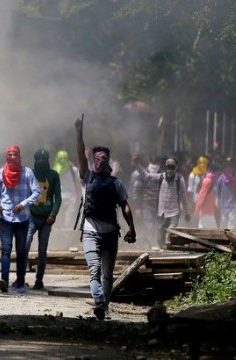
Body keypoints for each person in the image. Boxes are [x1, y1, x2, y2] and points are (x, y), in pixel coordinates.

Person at [75, 114, 136, 321]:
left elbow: (125, 206)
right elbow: (125, 207)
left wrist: (79, 133)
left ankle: (102, 305)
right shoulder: (110, 181)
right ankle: (103, 305)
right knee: (104, 274)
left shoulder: (89, 177)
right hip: (105, 234)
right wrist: (131, 228)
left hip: (98, 234)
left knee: (98, 273)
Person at [0, 145, 41, 294]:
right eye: (9, 154)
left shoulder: (27, 172)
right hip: (6, 218)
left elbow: (37, 192)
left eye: (15, 154)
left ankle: (20, 282)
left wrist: (23, 204)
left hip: (23, 219)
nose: (12, 157)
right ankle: (4, 281)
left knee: (21, 251)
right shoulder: (1, 173)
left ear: (20, 156)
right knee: (6, 250)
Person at [25, 149, 61, 290]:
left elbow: (57, 197)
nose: (41, 161)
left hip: (47, 219)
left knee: (42, 249)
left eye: (44, 158)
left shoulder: (53, 175)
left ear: (48, 160)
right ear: (35, 160)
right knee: (25, 245)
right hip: (32, 217)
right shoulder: (30, 174)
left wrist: (53, 214)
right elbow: (25, 194)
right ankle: (20, 278)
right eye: (38, 158)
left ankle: (39, 280)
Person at [135, 156, 190, 248]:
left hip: (174, 212)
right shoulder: (160, 177)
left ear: (175, 168)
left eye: (172, 167)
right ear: (165, 168)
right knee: (159, 239)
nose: (170, 170)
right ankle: (163, 248)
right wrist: (137, 165)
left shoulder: (179, 180)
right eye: (168, 167)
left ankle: (169, 249)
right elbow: (146, 176)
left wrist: (187, 212)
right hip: (162, 212)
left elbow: (184, 196)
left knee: (171, 232)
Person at [53, 150, 80, 228]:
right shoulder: (54, 171)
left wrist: (78, 196)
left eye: (64, 158)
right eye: (61, 158)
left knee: (69, 221)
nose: (63, 160)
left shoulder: (73, 170)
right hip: (59, 198)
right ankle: (58, 237)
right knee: (58, 221)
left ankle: (67, 237)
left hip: (71, 198)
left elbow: (77, 183)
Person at [214, 158, 236, 230]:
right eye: (225, 168)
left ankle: (231, 241)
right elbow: (217, 189)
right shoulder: (221, 178)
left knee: (231, 228)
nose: (227, 169)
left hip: (233, 207)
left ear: (232, 169)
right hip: (223, 207)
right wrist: (217, 200)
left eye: (229, 167)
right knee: (223, 228)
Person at [195, 163, 219, 229]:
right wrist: (197, 208)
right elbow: (201, 195)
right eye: (218, 173)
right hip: (207, 212)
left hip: (206, 211)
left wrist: (215, 208)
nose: (218, 175)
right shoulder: (208, 181)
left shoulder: (209, 180)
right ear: (215, 172)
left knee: (202, 228)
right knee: (214, 231)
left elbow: (209, 197)